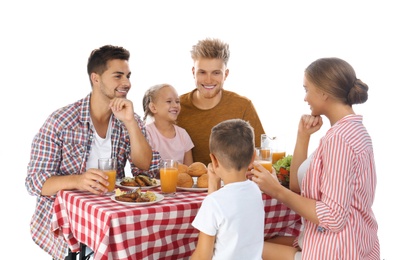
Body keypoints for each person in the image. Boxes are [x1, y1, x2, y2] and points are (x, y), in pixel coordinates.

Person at [25, 45, 160, 260]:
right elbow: (34, 182)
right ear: (96, 78)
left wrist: (131, 123)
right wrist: (78, 181)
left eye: (128, 76)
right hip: (69, 224)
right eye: (118, 76)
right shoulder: (61, 122)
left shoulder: (127, 117)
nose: (127, 83)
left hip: (109, 221)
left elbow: (145, 167)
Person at [251, 57, 380, 259]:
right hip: (345, 241)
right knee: (258, 239)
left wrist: (275, 190)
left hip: (338, 250)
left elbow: (333, 217)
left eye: (306, 89)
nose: (305, 98)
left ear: (323, 92)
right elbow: (297, 188)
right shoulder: (351, 131)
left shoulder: (340, 139)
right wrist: (303, 136)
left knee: (240, 246)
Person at [176, 38, 265, 166]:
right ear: (193, 72)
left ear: (226, 74)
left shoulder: (242, 106)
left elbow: (261, 155)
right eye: (202, 72)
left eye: (216, 73)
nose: (208, 80)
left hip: (232, 185)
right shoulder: (177, 108)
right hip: (187, 184)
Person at [191, 119, 265, 260]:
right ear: (253, 158)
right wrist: (213, 182)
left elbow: (202, 256)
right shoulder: (255, 190)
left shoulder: (213, 203)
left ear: (214, 160)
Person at [142, 83, 194, 165]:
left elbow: (189, 170)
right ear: (153, 107)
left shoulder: (183, 134)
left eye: (177, 101)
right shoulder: (147, 133)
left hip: (179, 178)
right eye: (169, 101)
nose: (175, 105)